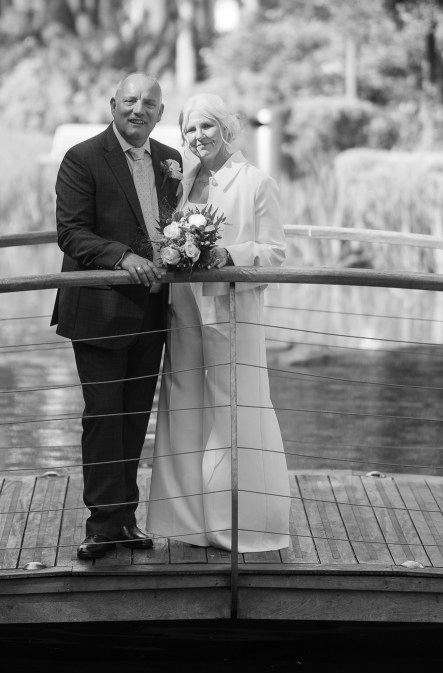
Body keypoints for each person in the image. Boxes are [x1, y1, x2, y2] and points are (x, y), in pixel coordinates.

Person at [147, 93, 290, 553]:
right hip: (185, 312)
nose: (197, 137)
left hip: (232, 313)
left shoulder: (257, 183)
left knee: (238, 409)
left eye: (207, 127)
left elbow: (276, 255)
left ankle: (246, 523)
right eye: (189, 129)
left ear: (226, 128)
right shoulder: (183, 182)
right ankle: (185, 521)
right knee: (183, 406)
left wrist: (229, 254)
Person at [51, 73, 183, 559]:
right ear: (113, 104)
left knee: (134, 419)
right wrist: (123, 257)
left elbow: (175, 225)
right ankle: (102, 525)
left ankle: (126, 519)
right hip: (100, 311)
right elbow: (71, 233)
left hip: (152, 310)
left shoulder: (171, 160)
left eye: (149, 103)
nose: (138, 109)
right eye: (130, 100)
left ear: (160, 112)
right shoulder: (83, 158)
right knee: (104, 418)